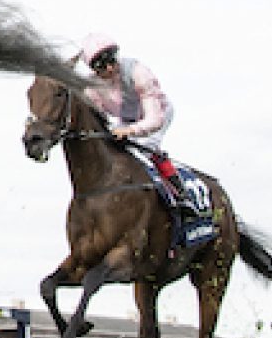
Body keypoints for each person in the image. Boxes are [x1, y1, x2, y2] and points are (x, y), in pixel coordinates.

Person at [78, 33, 196, 218]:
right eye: (102, 66)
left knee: (145, 149)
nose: (109, 68)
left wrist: (130, 130)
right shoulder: (92, 88)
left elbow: (154, 120)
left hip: (158, 114)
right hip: (128, 119)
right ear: (93, 69)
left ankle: (182, 196)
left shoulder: (138, 72)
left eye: (112, 60)